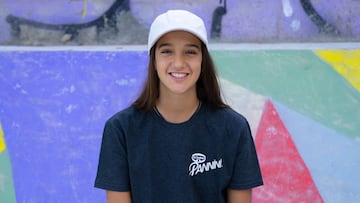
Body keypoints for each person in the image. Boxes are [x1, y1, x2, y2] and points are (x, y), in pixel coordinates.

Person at [94, 9, 263, 203]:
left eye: (190, 52)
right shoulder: (121, 130)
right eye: (166, 51)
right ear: (154, 60)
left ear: (203, 60)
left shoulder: (234, 128)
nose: (179, 63)